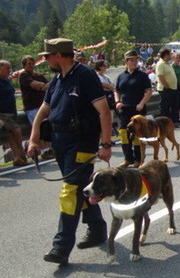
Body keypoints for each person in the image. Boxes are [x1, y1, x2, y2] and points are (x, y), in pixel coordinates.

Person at [27, 38, 112, 266]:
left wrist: (106, 144)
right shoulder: (57, 80)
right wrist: (34, 139)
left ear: (58, 56)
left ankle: (61, 247)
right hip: (61, 144)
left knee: (69, 192)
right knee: (79, 190)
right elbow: (43, 111)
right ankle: (97, 230)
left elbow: (104, 111)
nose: (44, 61)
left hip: (82, 144)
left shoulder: (84, 75)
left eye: (47, 56)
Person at [115, 50, 153, 168]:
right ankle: (128, 158)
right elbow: (117, 90)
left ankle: (138, 159)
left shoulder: (142, 75)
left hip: (137, 110)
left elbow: (149, 91)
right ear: (126, 61)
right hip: (124, 110)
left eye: (136, 60)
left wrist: (142, 103)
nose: (134, 62)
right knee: (123, 133)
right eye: (131, 60)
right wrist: (117, 101)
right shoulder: (121, 76)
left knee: (137, 135)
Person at [18, 55, 54, 159]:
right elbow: (36, 85)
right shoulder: (23, 75)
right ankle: (44, 151)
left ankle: (48, 148)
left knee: (46, 127)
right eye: (28, 64)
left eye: (32, 63)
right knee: (38, 128)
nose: (31, 65)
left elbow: (48, 84)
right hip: (32, 107)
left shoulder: (38, 75)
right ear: (24, 65)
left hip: (42, 105)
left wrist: (48, 85)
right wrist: (45, 86)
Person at [0, 60, 28, 166]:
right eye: (7, 68)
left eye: (10, 68)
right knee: (16, 131)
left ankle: (17, 157)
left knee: (11, 135)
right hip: (3, 113)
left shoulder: (7, 81)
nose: (9, 70)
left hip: (11, 111)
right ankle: (21, 152)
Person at [95, 60, 117, 136]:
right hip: (103, 99)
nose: (105, 67)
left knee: (110, 119)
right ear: (99, 67)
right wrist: (109, 86)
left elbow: (112, 86)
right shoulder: (97, 77)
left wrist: (110, 86)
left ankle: (109, 136)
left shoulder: (106, 77)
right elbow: (105, 85)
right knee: (103, 120)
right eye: (104, 66)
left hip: (110, 100)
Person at [156, 47, 178, 122]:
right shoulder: (160, 64)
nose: (171, 56)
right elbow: (160, 76)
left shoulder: (167, 64)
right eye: (170, 54)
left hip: (171, 88)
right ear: (166, 55)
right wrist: (167, 86)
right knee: (165, 107)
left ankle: (171, 122)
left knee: (171, 107)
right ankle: (163, 124)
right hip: (165, 89)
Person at [171, 52, 180, 127]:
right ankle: (174, 120)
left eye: (179, 58)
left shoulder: (178, 66)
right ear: (173, 59)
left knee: (179, 103)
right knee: (175, 104)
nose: (178, 59)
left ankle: (178, 119)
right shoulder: (172, 67)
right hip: (175, 87)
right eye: (176, 58)